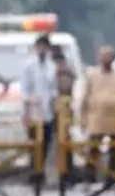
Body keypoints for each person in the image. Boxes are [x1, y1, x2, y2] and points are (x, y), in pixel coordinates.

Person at [82, 45, 115, 183]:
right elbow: (85, 97)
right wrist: (83, 117)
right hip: (96, 118)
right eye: (103, 56)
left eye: (109, 56)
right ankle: (89, 178)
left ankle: (112, 179)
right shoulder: (92, 75)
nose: (106, 59)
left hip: (114, 119)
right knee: (93, 149)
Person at [20, 35, 58, 182]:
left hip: (47, 111)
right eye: (40, 46)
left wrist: (54, 105)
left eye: (45, 47)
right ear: (36, 48)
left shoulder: (51, 66)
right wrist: (26, 111)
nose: (42, 49)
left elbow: (53, 89)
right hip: (33, 110)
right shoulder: (29, 65)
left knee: (46, 142)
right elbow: (25, 88)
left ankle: (41, 170)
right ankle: (34, 171)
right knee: (34, 142)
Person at [51, 47, 78, 181]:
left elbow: (67, 88)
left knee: (64, 143)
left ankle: (66, 173)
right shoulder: (50, 72)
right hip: (52, 113)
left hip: (63, 112)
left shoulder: (66, 73)